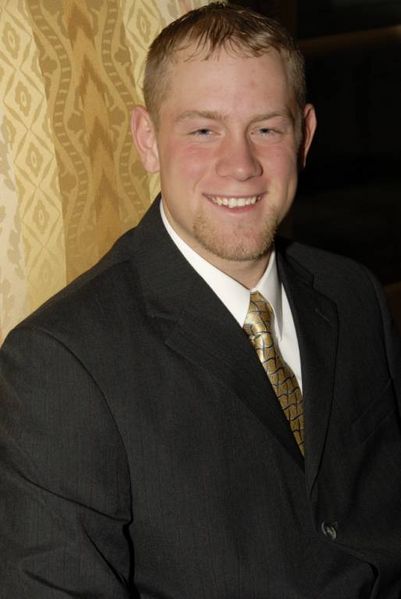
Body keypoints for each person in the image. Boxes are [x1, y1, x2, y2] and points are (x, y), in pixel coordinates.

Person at [0, 2, 400, 597]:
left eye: (267, 129)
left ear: (305, 136)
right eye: (203, 130)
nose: (240, 165)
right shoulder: (61, 363)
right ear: (148, 140)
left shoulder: (352, 291)